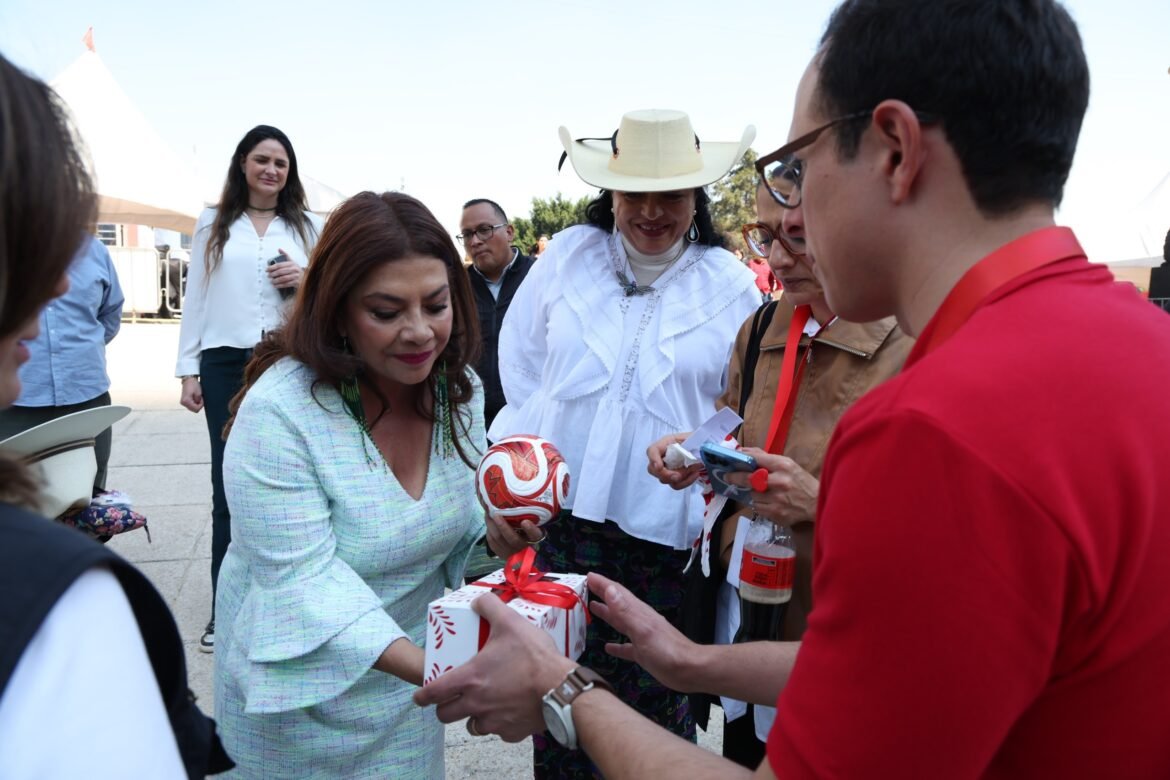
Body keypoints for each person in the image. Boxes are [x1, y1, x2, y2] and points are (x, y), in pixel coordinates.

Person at [415, 2, 1170, 778]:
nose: (788, 212)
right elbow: (904, 669)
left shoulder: (933, 430)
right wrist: (695, 662)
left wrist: (558, 689)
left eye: (796, 166)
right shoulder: (1144, 348)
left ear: (894, 150)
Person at [212, 191, 540, 777]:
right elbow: (302, 580)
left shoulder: (456, 391)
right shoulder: (280, 416)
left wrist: (498, 542)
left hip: (407, 694)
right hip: (299, 702)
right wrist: (451, 672)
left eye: (436, 305)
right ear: (338, 311)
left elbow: (448, 534)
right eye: (386, 312)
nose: (419, 333)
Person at [489, 108, 761, 777]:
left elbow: (741, 407)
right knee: (558, 701)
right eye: (634, 191)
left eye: (670, 193)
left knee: (651, 712)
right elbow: (520, 365)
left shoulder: (727, 285)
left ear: (696, 196)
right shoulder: (569, 260)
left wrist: (693, 452)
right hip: (561, 530)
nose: (650, 210)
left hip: (664, 541)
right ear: (608, 191)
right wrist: (523, 474)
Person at [0, 52, 232, 778]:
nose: (58, 279)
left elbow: (105, 316)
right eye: (26, 241)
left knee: (81, 503)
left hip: (84, 395)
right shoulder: (68, 608)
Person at [646, 180, 912, 767]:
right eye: (765, 236)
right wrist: (694, 452)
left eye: (797, 237)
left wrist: (819, 501)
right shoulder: (763, 325)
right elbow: (736, 426)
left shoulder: (912, 342)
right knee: (747, 750)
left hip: (836, 615)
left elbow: (934, 525)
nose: (777, 259)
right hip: (750, 597)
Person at [176, 125, 323, 653]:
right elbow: (196, 296)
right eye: (261, 160)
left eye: (280, 163)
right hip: (222, 361)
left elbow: (330, 289)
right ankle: (225, 610)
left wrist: (305, 276)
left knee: (292, 480)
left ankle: (290, 605)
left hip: (286, 356)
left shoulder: (306, 225)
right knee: (227, 487)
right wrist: (187, 369)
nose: (271, 170)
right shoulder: (214, 223)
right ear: (242, 164)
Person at [0, 233, 124, 491]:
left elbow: (110, 313)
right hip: (16, 406)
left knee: (87, 500)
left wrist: (79, 354)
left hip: (87, 395)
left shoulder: (94, 249)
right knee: (15, 504)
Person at [457, 197, 536, 430]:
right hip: (472, 419)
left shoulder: (539, 277)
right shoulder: (456, 288)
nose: (475, 241)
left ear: (509, 232)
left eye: (484, 230)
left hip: (529, 418)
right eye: (467, 234)